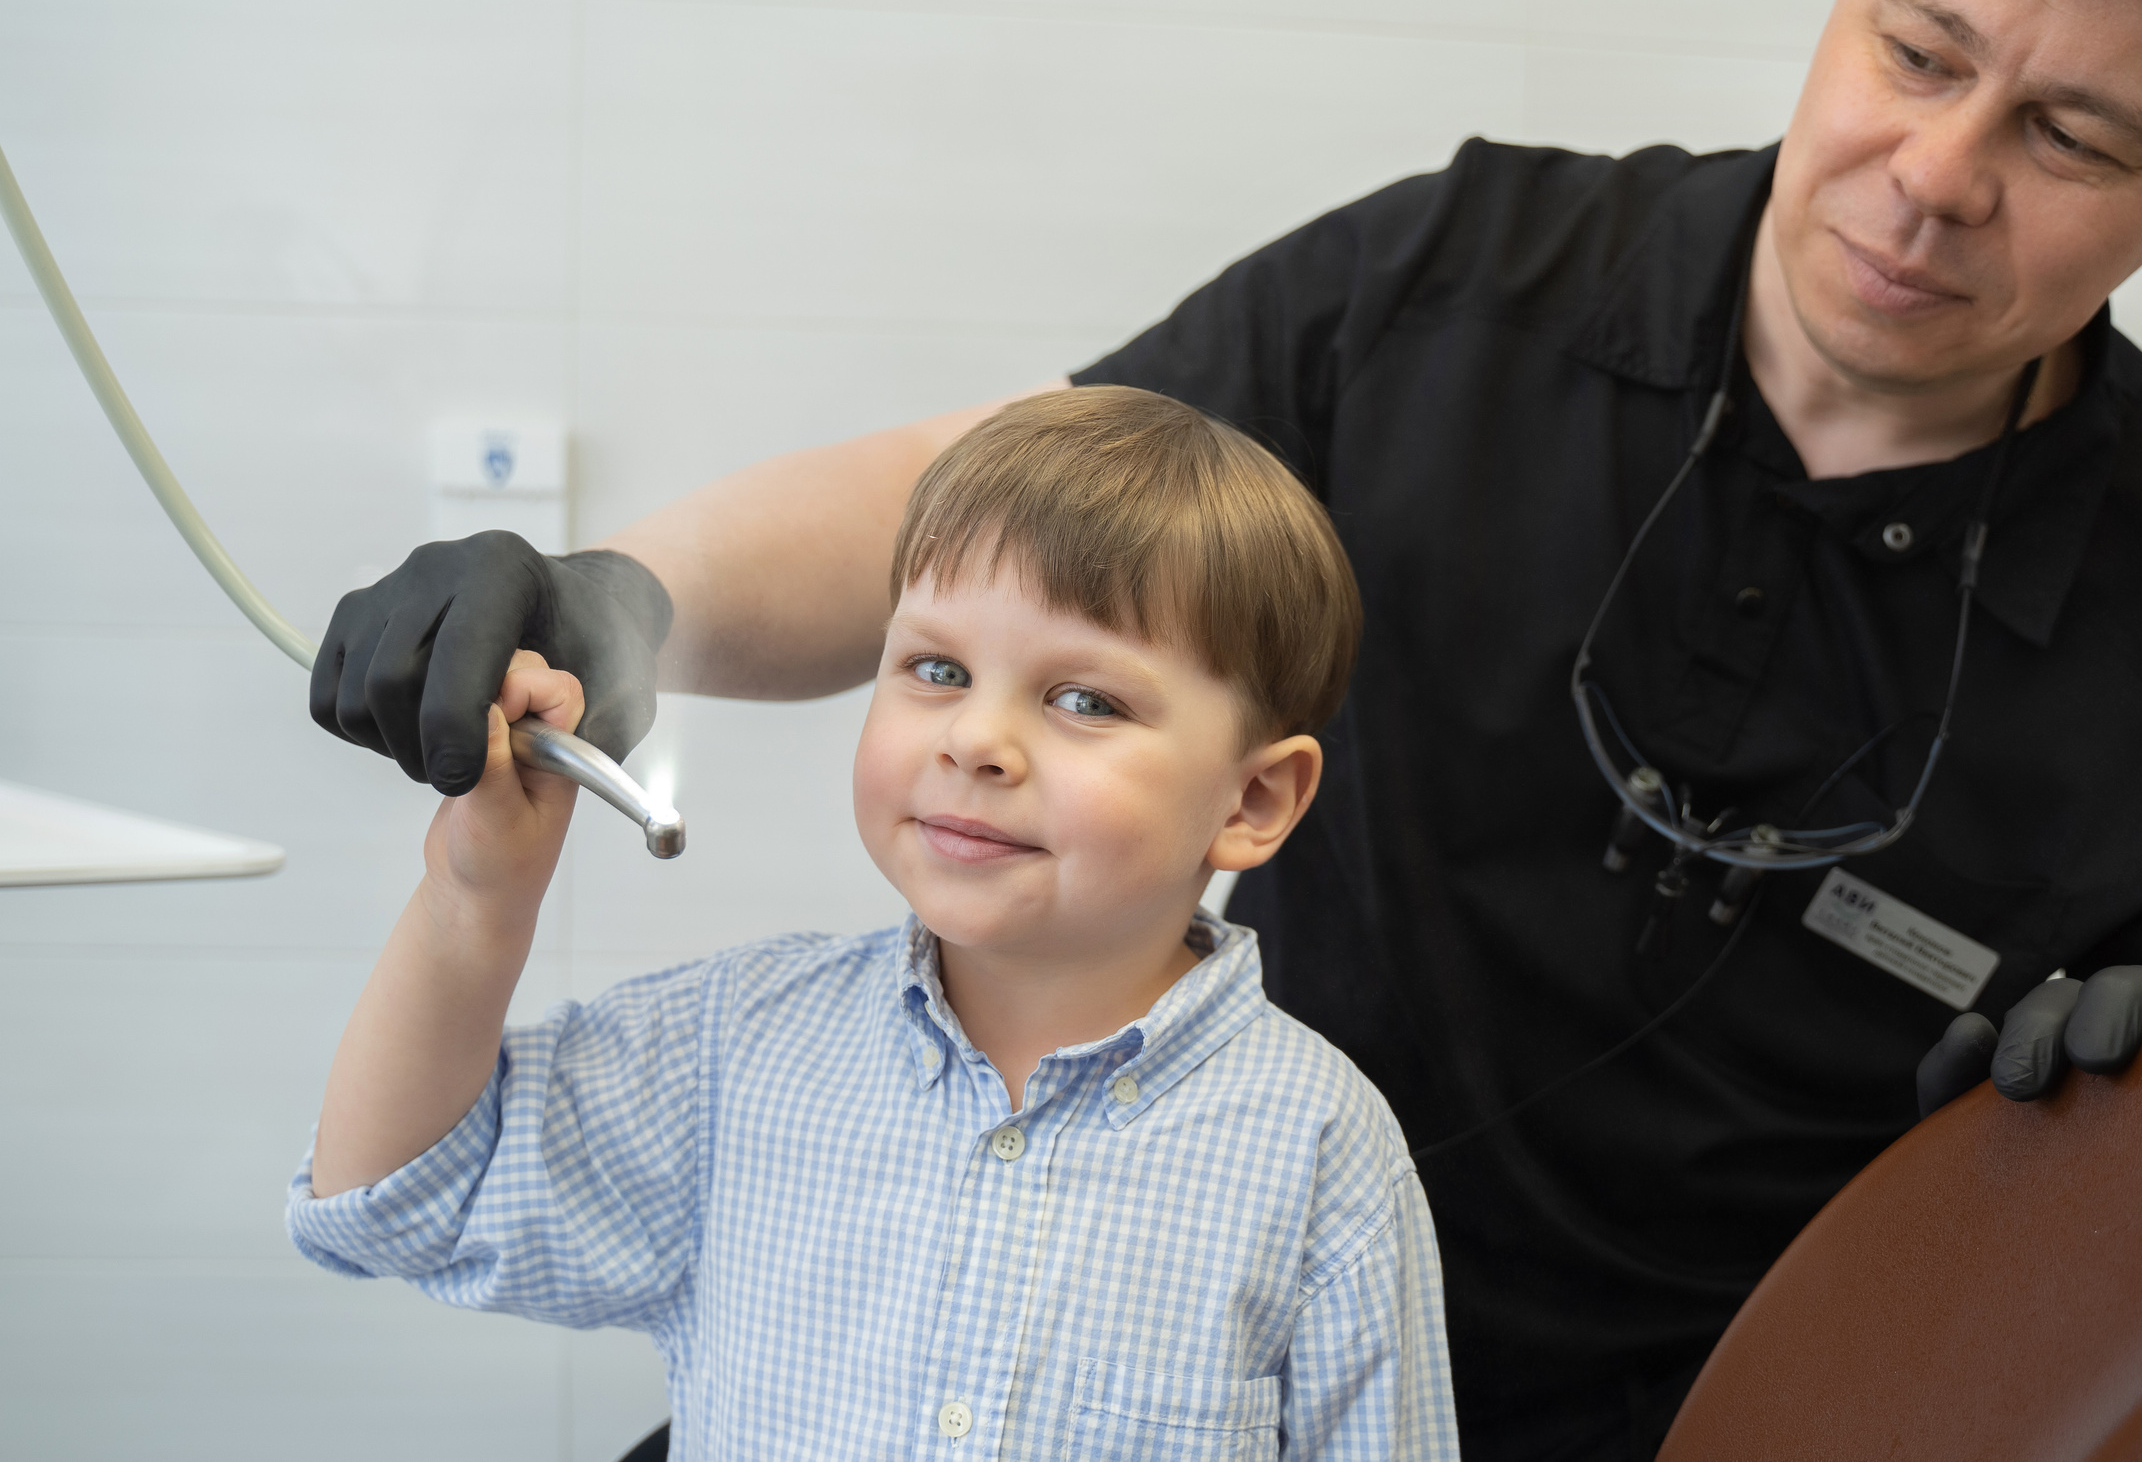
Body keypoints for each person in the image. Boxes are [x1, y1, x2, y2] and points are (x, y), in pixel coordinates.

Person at [307, 0, 2142, 1455]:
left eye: (2071, 136)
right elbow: (1001, 494)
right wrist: (617, 592)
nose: (1933, 172)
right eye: (1913, 51)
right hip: (1110, 1330)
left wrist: (2088, 1152)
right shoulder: (1445, 291)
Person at [287, 388, 1459, 1460]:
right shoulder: (739, 1051)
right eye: (937, 671)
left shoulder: (1320, 1153)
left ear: (1253, 799)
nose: (974, 740)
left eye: (1082, 698)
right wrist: (476, 897)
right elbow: (389, 1201)